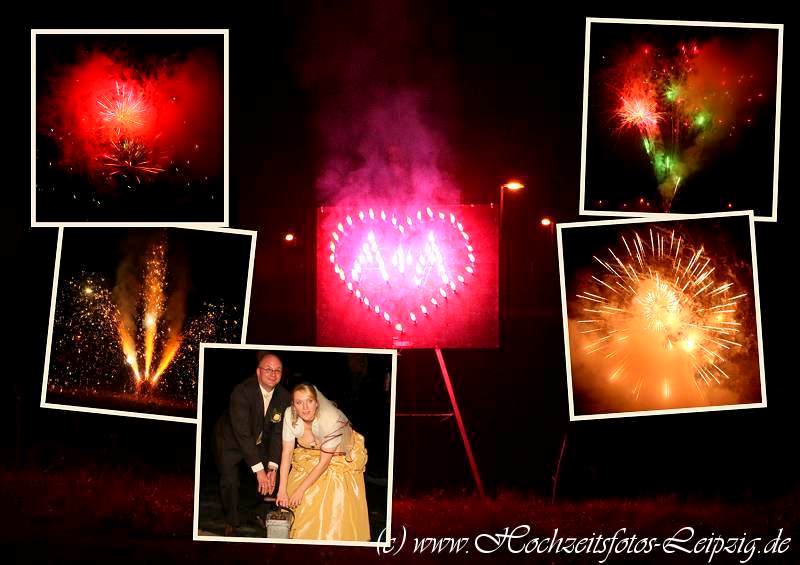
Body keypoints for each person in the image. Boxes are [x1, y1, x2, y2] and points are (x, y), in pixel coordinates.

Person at [276, 383, 370, 541]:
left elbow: (323, 463)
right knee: (293, 497)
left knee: (324, 503)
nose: (305, 408)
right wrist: (282, 489)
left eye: (309, 401)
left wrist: (300, 490)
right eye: (299, 402)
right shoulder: (289, 415)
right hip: (310, 454)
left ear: (317, 402)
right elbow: (287, 453)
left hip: (338, 457)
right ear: (293, 405)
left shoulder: (330, 419)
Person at [213, 352, 290, 536]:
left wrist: (271, 467)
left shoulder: (284, 396)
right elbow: (243, 434)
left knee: (275, 477)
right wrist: (259, 470)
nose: (273, 374)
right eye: (268, 369)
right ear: (258, 372)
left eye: (278, 370)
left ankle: (260, 512)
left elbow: (277, 433)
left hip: (259, 441)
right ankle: (231, 520)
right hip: (230, 439)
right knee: (230, 481)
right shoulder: (242, 392)